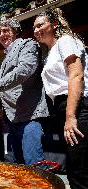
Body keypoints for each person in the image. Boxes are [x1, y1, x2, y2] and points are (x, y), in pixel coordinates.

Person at [0, 19, 49, 166]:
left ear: (15, 31)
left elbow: (24, 70)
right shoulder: (7, 56)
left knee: (35, 166)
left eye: (6, 30)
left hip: (29, 116)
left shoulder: (27, 44)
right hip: (12, 119)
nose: (2, 34)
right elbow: (10, 86)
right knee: (19, 167)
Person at [33, 8, 88, 188]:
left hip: (77, 107)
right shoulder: (50, 54)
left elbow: (76, 75)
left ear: (54, 24)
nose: (36, 30)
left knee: (79, 171)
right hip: (62, 109)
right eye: (34, 27)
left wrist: (71, 116)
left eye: (41, 24)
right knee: (75, 166)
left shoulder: (65, 41)